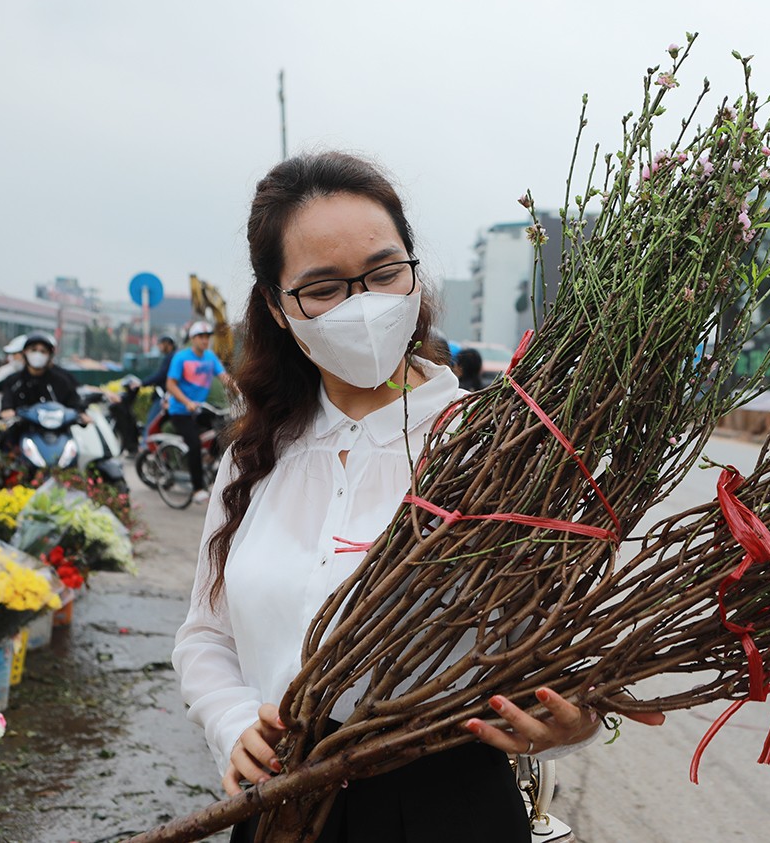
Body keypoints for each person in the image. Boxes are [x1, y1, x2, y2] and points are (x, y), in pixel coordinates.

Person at [173, 152, 662, 843]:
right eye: (323, 288)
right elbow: (205, 632)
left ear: (413, 271)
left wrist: (572, 718)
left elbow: (562, 650)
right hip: (281, 809)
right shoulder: (258, 455)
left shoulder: (498, 447)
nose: (364, 304)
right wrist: (230, 724)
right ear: (278, 309)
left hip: (449, 809)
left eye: (383, 272)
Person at [164, 323, 233, 505]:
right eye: (201, 337)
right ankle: (197, 489)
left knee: (226, 426)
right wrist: (186, 402)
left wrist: (241, 391)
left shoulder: (210, 357)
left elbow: (224, 378)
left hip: (200, 408)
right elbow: (170, 384)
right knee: (194, 444)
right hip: (181, 411)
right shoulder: (181, 358)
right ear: (193, 339)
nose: (205, 340)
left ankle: (210, 457)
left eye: (207, 337)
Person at [140, 335, 177, 433]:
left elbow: (161, 375)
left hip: (164, 396)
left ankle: (145, 446)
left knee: (151, 423)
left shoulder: (171, 357)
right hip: (169, 396)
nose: (159, 346)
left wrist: (142, 383)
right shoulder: (171, 357)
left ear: (168, 344)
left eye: (161, 343)